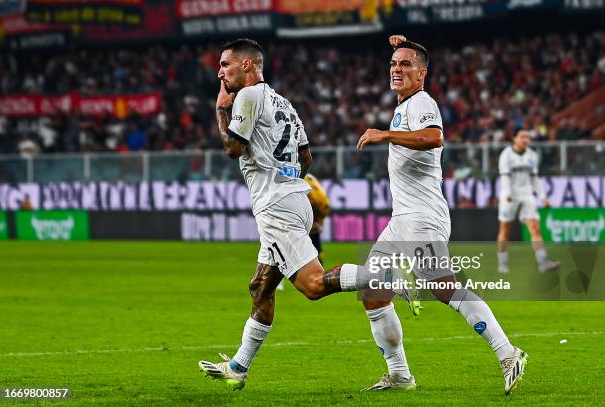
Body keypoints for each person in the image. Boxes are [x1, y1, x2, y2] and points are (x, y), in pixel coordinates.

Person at [199, 38, 412, 390]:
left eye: (226, 64)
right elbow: (306, 158)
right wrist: (284, 175)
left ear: (248, 65)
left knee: (312, 286)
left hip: (276, 206)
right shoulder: (283, 103)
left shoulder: (248, 97)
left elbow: (233, 147)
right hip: (296, 197)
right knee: (261, 288)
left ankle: (384, 277)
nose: (220, 71)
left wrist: (221, 110)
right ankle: (239, 366)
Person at [354, 35, 527, 395]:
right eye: (393, 64)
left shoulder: (422, 102)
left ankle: (508, 354)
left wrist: (385, 135)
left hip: (422, 216)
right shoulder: (405, 105)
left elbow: (434, 137)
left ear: (423, 73)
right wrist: (407, 43)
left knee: (444, 289)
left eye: (405, 64)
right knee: (372, 290)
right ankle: (399, 374)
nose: (396, 69)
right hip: (402, 218)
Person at [497, 130, 560, 273]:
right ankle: (502, 263)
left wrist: (542, 196)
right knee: (505, 229)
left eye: (527, 137)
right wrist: (507, 193)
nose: (525, 139)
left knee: (535, 227)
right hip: (510, 194)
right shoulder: (506, 155)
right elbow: (505, 176)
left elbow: (534, 178)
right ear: (515, 139)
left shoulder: (532, 156)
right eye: (522, 137)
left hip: (527, 194)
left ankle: (543, 262)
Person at [276, 173, 330, 290]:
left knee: (314, 248)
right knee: (284, 248)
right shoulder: (309, 196)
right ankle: (279, 279)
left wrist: (317, 225)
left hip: (305, 211)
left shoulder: (320, 202)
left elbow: (321, 214)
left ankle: (320, 275)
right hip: (295, 214)